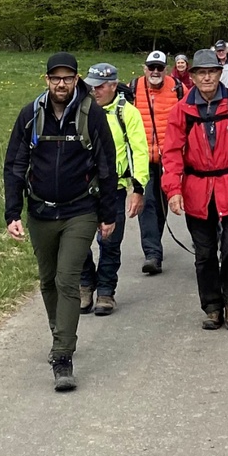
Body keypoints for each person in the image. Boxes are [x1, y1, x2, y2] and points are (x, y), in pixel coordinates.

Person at [3, 52, 122, 392]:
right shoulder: (31, 115)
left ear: (76, 79)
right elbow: (14, 164)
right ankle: (61, 333)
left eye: (67, 78)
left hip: (79, 211)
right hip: (40, 212)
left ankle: (62, 356)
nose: (61, 83)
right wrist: (13, 212)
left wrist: (107, 213)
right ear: (46, 80)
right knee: (48, 280)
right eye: (55, 78)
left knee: (68, 280)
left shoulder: (91, 115)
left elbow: (106, 165)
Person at [162, 48, 228, 330]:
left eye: (212, 72)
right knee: (205, 253)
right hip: (197, 189)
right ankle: (212, 306)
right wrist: (173, 189)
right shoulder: (182, 110)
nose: (207, 77)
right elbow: (171, 153)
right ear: (193, 76)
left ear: (220, 74)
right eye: (201, 73)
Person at [78, 63, 149, 315]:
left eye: (99, 86)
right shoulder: (81, 110)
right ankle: (86, 285)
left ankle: (106, 291)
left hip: (114, 188)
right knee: (79, 240)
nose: (94, 91)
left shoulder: (127, 113)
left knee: (110, 241)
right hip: (82, 188)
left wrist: (138, 189)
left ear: (112, 86)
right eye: (91, 86)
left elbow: (140, 152)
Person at [132, 49, 183, 275]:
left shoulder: (178, 89)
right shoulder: (133, 88)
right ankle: (152, 254)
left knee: (162, 205)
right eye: (151, 67)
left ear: (165, 69)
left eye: (159, 68)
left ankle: (155, 246)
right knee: (147, 203)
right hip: (142, 158)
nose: (155, 71)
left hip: (169, 158)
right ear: (144, 68)